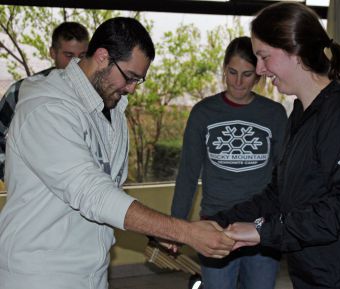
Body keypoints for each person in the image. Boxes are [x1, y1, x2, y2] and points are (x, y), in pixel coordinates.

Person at [0, 17, 234, 289]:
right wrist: (185, 231)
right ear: (102, 57)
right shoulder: (47, 108)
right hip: (39, 274)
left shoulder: (112, 107)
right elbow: (91, 192)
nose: (132, 89)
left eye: (138, 80)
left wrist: (155, 229)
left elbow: (110, 190)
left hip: (92, 270)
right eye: (130, 77)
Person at [210, 2, 340, 289]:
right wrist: (217, 222)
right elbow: (279, 195)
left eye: (263, 57)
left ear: (294, 51)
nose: (259, 69)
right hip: (315, 277)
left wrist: (262, 230)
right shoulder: (300, 114)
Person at [171, 36, 286, 289]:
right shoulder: (203, 112)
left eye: (246, 74)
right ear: (224, 69)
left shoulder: (275, 114)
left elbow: (284, 176)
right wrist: (176, 227)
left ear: (258, 75)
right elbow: (188, 175)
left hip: (261, 226)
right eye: (232, 72)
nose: (238, 81)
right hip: (216, 224)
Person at [0, 21, 89, 181]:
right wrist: (11, 173)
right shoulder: (22, 91)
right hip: (32, 198)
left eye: (82, 56)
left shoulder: (97, 96)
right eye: (68, 56)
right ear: (52, 53)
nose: (76, 63)